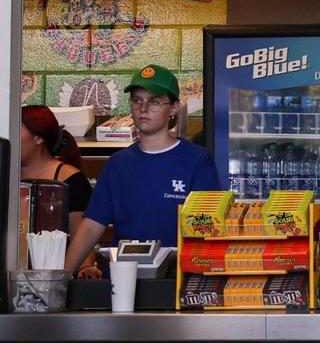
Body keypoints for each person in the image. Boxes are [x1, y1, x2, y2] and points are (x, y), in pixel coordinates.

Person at [65, 64, 220, 277]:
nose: (143, 108)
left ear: (174, 108)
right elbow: (92, 224)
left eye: (154, 102)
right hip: (122, 279)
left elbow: (207, 227)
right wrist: (62, 277)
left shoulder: (197, 160)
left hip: (176, 280)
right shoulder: (117, 164)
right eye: (137, 100)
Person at [20, 105, 93, 234]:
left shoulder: (72, 181)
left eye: (16, 129)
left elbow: (83, 243)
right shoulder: (6, 175)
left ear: (38, 137)